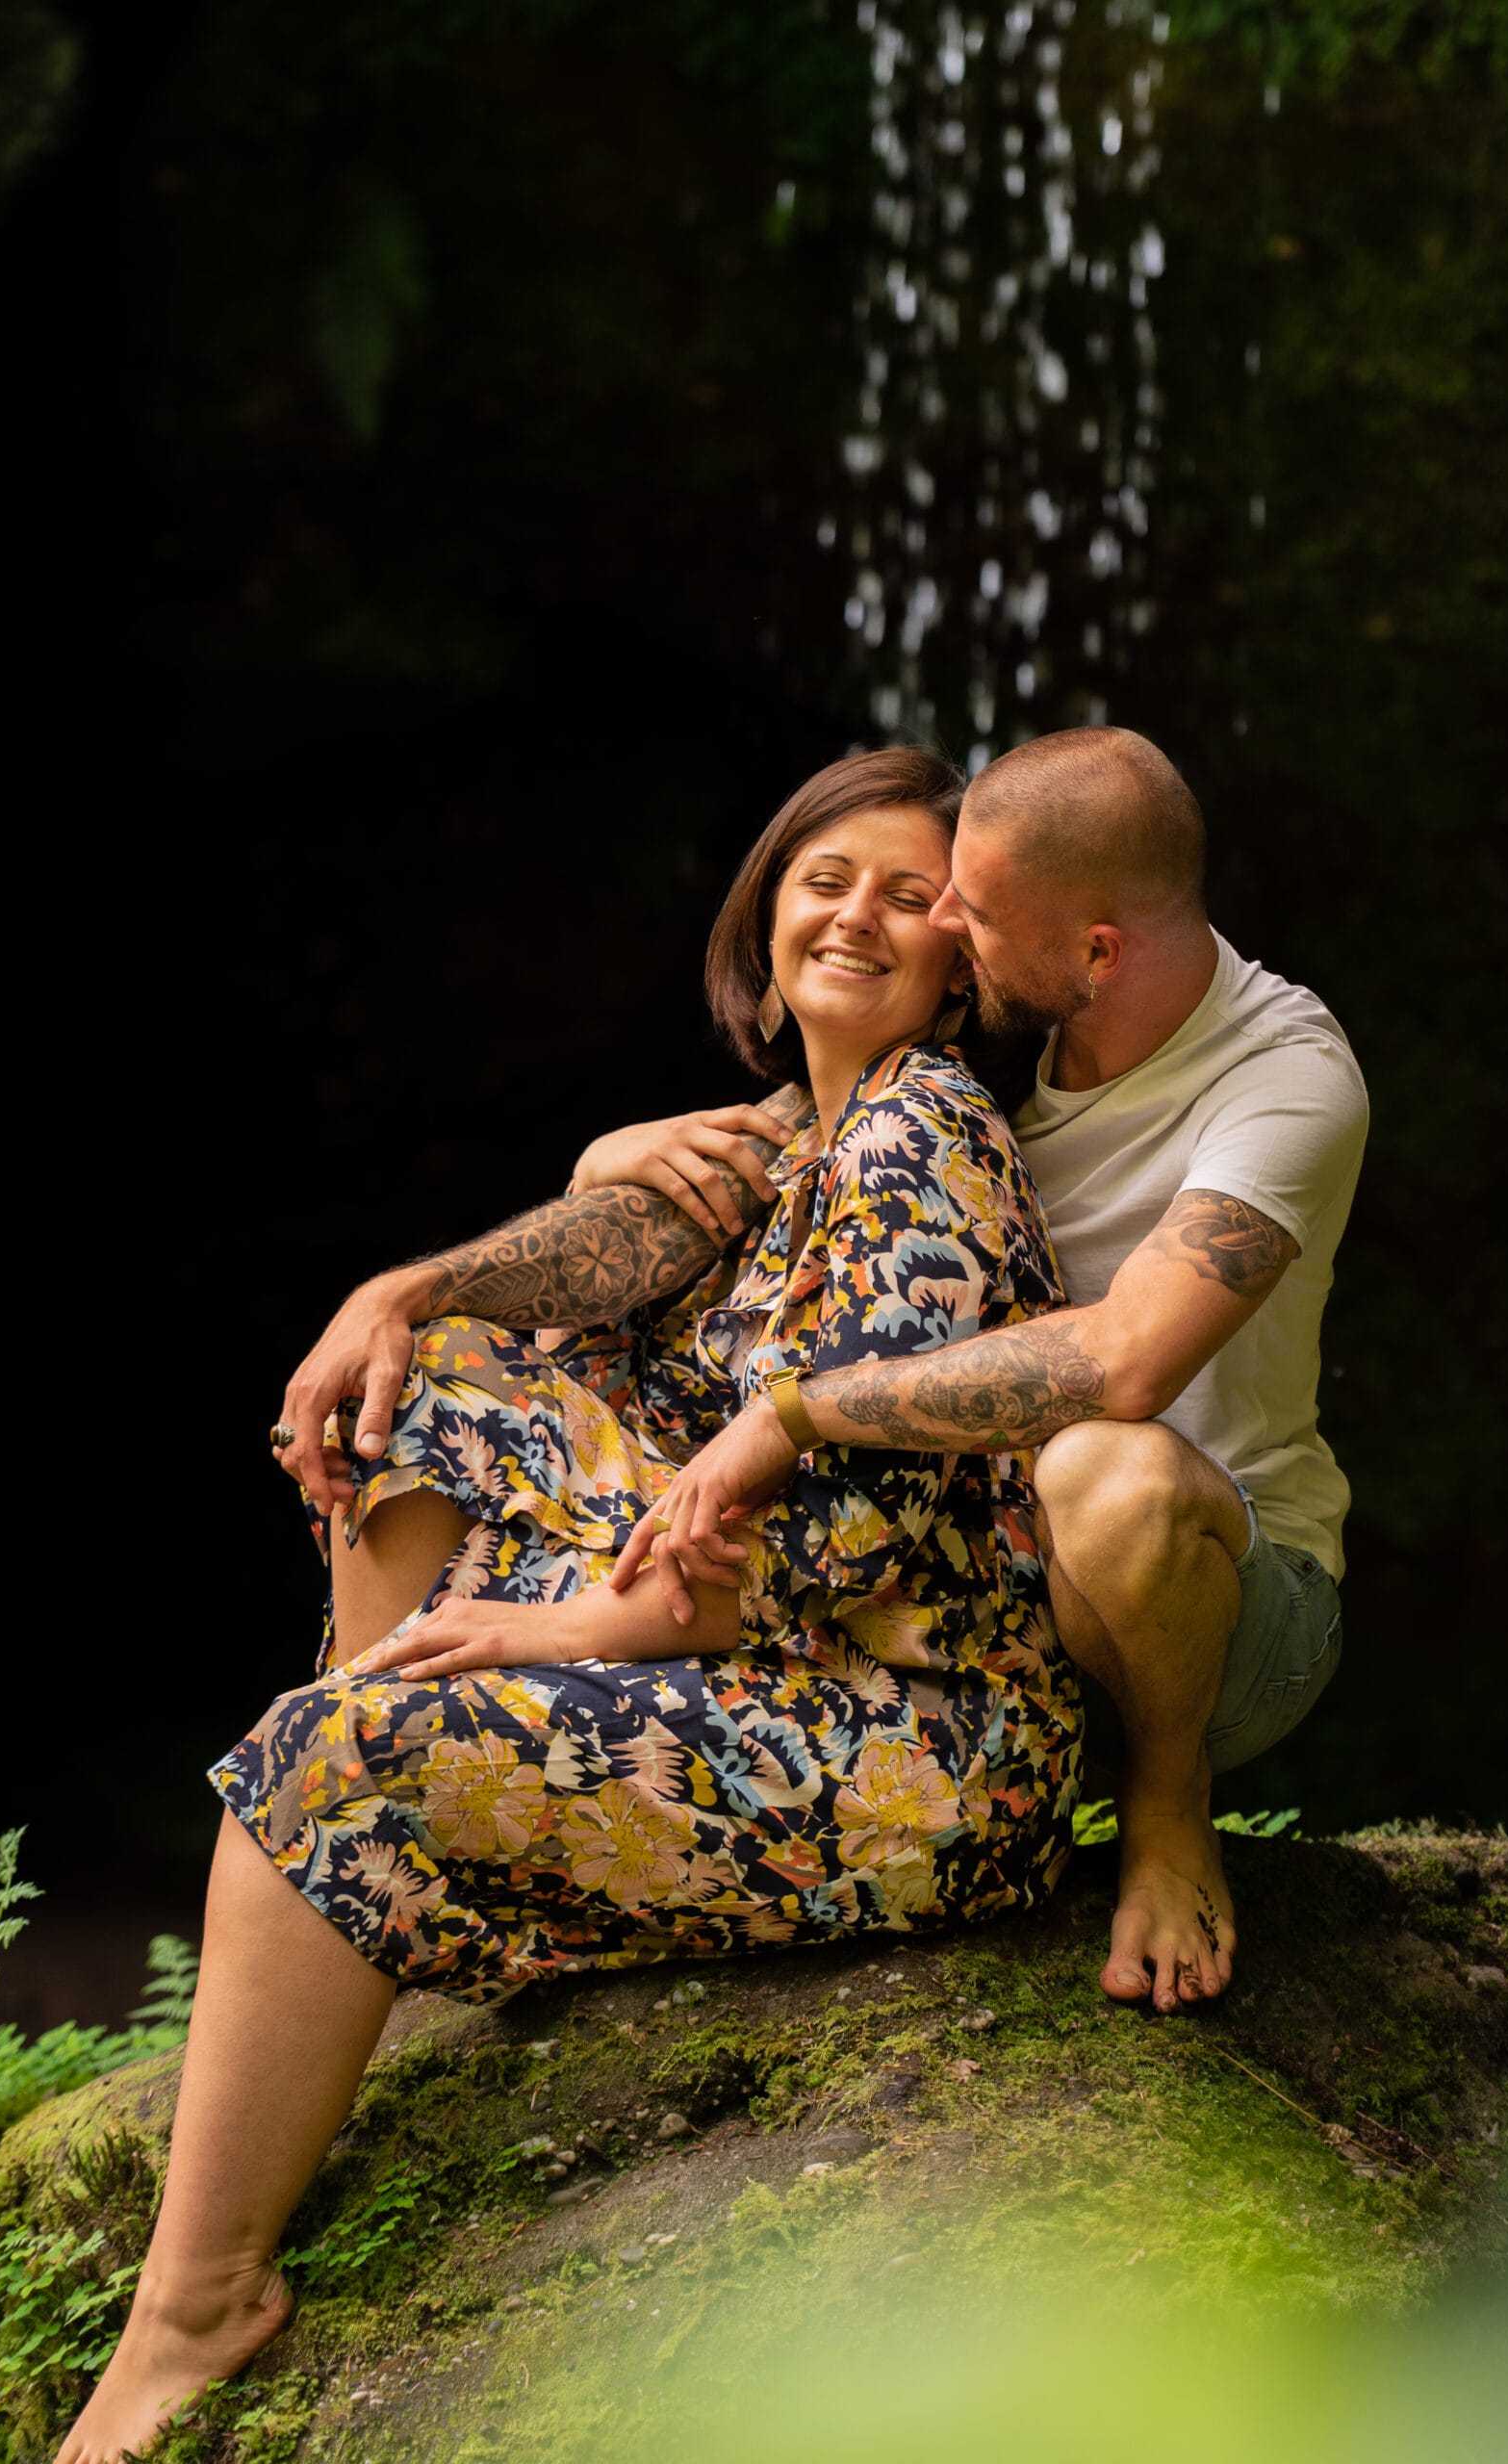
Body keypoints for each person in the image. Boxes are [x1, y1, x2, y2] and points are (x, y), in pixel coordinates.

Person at [57, 746, 1081, 2464]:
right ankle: (385, 1863)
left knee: (337, 1765)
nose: (861, 914)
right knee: (442, 1369)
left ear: (966, 965)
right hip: (762, 1622)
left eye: (915, 897)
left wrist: (586, 1632)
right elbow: (595, 1265)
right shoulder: (796, 1137)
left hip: (922, 1736)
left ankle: (202, 2295)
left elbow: (886, 1476)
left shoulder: (929, 1131)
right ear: (764, 917)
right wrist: (397, 1292)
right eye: (827, 877)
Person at [609, 728, 1368, 2021]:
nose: (944, 923)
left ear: (1098, 952)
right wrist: (606, 1160)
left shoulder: (1286, 1077)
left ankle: (1168, 1812)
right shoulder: (1009, 1046)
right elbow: (807, 1137)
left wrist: (789, 1415)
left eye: (972, 905)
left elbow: (1126, 1360)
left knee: (1103, 1470)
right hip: (991, 1594)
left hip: (1223, 1596)